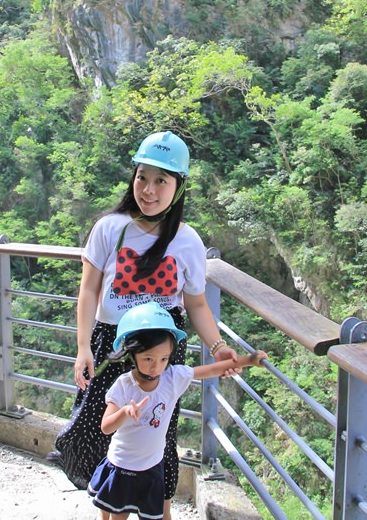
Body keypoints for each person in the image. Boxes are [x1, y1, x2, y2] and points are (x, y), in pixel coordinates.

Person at [49, 130, 239, 519]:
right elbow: (88, 292)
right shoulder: (109, 228)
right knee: (100, 424)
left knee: (158, 433)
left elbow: (196, 303)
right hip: (111, 342)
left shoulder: (187, 241)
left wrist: (218, 347)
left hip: (163, 349)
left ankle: (157, 511)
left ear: (178, 186)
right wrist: (83, 346)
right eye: (142, 177)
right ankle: (109, 505)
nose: (148, 190)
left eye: (161, 181)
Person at [87, 302, 267, 520]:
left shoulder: (172, 378)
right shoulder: (124, 386)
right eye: (148, 359)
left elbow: (210, 369)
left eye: (164, 359)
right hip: (122, 465)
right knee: (117, 514)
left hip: (152, 466)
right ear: (131, 354)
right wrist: (125, 412)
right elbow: (106, 427)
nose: (157, 366)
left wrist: (249, 360)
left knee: (150, 514)